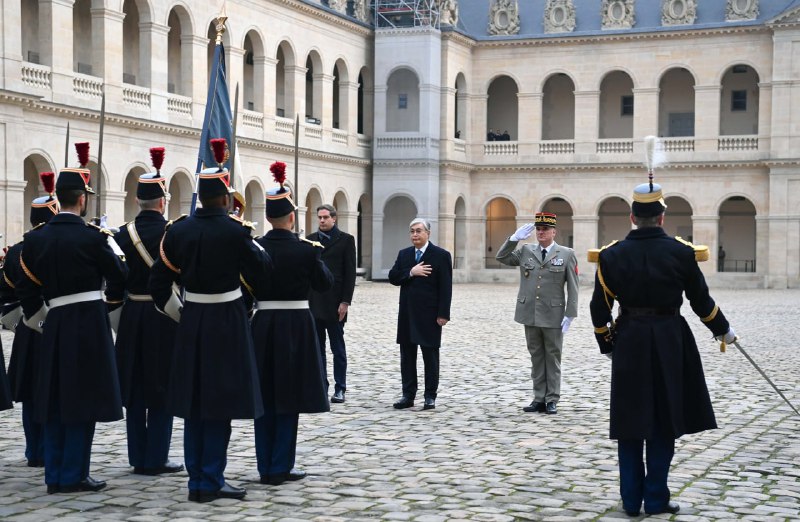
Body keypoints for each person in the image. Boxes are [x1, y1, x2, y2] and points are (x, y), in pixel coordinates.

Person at [589, 178, 736, 517]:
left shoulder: (611, 256)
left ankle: (630, 500)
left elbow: (600, 309)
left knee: (630, 422)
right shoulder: (681, 253)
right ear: (662, 218)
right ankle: (655, 499)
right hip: (671, 338)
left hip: (629, 340)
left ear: (631, 217)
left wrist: (608, 344)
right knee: (663, 421)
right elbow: (701, 301)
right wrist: (723, 331)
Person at [149, 138, 269, 503]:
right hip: (227, 320)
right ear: (227, 197)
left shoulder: (179, 231)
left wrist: (179, 312)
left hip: (193, 318)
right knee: (219, 401)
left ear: (201, 196)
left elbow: (158, 282)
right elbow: (263, 271)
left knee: (194, 402)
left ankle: (196, 479)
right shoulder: (237, 232)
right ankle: (212, 478)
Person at [16, 143, 127, 494]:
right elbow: (120, 275)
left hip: (56, 320)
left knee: (54, 398)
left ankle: (54, 474)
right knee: (84, 397)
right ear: (81, 199)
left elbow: (26, 289)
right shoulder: (94, 238)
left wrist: (45, 320)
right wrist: (106, 303)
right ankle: (75, 473)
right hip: (90, 321)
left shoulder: (35, 241)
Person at [247, 161, 332, 486]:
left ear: (268, 217)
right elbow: (324, 284)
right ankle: (282, 464)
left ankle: (264, 464)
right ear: (292, 216)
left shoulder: (255, 248)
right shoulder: (306, 250)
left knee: (265, 395)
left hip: (263, 323)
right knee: (289, 395)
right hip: (296, 324)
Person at [110, 148, 183, 477]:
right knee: (162, 386)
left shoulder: (121, 234)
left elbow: (113, 285)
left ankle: (137, 455)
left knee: (135, 388)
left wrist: (117, 319)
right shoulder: (173, 232)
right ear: (162, 201)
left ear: (138, 200)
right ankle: (157, 456)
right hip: (163, 315)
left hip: (131, 315)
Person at [0, 171, 60, 467]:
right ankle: (48, 449)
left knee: (31, 392)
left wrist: (18, 323)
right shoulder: (55, 246)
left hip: (27, 326)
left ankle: (33, 450)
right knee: (50, 389)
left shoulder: (16, 252)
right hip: (54, 324)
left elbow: (5, 297)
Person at [496, 212, 578, 415]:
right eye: (538, 229)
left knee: (553, 356)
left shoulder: (566, 253)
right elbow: (502, 257)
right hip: (530, 312)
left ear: (553, 231)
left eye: (545, 229)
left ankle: (552, 399)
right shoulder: (526, 250)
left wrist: (570, 313)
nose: (541, 233)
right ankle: (539, 397)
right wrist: (513, 239)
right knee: (536, 356)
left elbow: (574, 287)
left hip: (553, 314)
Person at [388, 218, 452, 411]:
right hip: (407, 314)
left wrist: (443, 314)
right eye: (412, 231)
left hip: (430, 315)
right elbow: (393, 277)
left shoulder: (441, 255)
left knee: (430, 356)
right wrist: (411, 272)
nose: (415, 235)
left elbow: (446, 287)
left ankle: (430, 396)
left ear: (428, 233)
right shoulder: (404, 254)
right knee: (407, 356)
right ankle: (408, 395)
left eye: (418, 231)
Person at [307, 204, 356, 403]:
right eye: (319, 217)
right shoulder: (310, 240)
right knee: (317, 349)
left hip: (336, 303)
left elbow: (350, 274)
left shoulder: (345, 240)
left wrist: (345, 301)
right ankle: (321, 387)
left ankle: (340, 388)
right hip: (314, 302)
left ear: (334, 218)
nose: (322, 220)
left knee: (337, 349)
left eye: (326, 217)